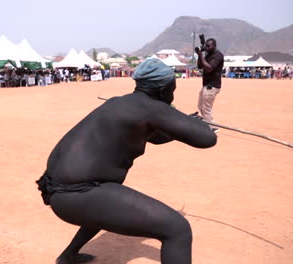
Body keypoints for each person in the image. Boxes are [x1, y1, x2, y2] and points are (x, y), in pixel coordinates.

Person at [37, 58, 217, 264]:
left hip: (59, 191)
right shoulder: (152, 108)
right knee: (178, 229)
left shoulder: (118, 102)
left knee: (109, 201)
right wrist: (189, 121)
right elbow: (207, 139)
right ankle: (69, 255)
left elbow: (156, 137)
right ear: (162, 89)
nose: (172, 95)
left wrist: (181, 124)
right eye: (172, 89)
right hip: (77, 195)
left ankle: (68, 256)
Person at [196, 37, 224, 133]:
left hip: (212, 86)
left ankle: (210, 128)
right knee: (200, 106)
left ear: (214, 46)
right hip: (206, 85)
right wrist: (200, 55)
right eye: (206, 46)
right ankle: (210, 124)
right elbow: (200, 66)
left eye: (209, 46)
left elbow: (209, 68)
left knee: (206, 108)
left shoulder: (218, 55)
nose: (206, 48)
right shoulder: (208, 55)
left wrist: (201, 54)